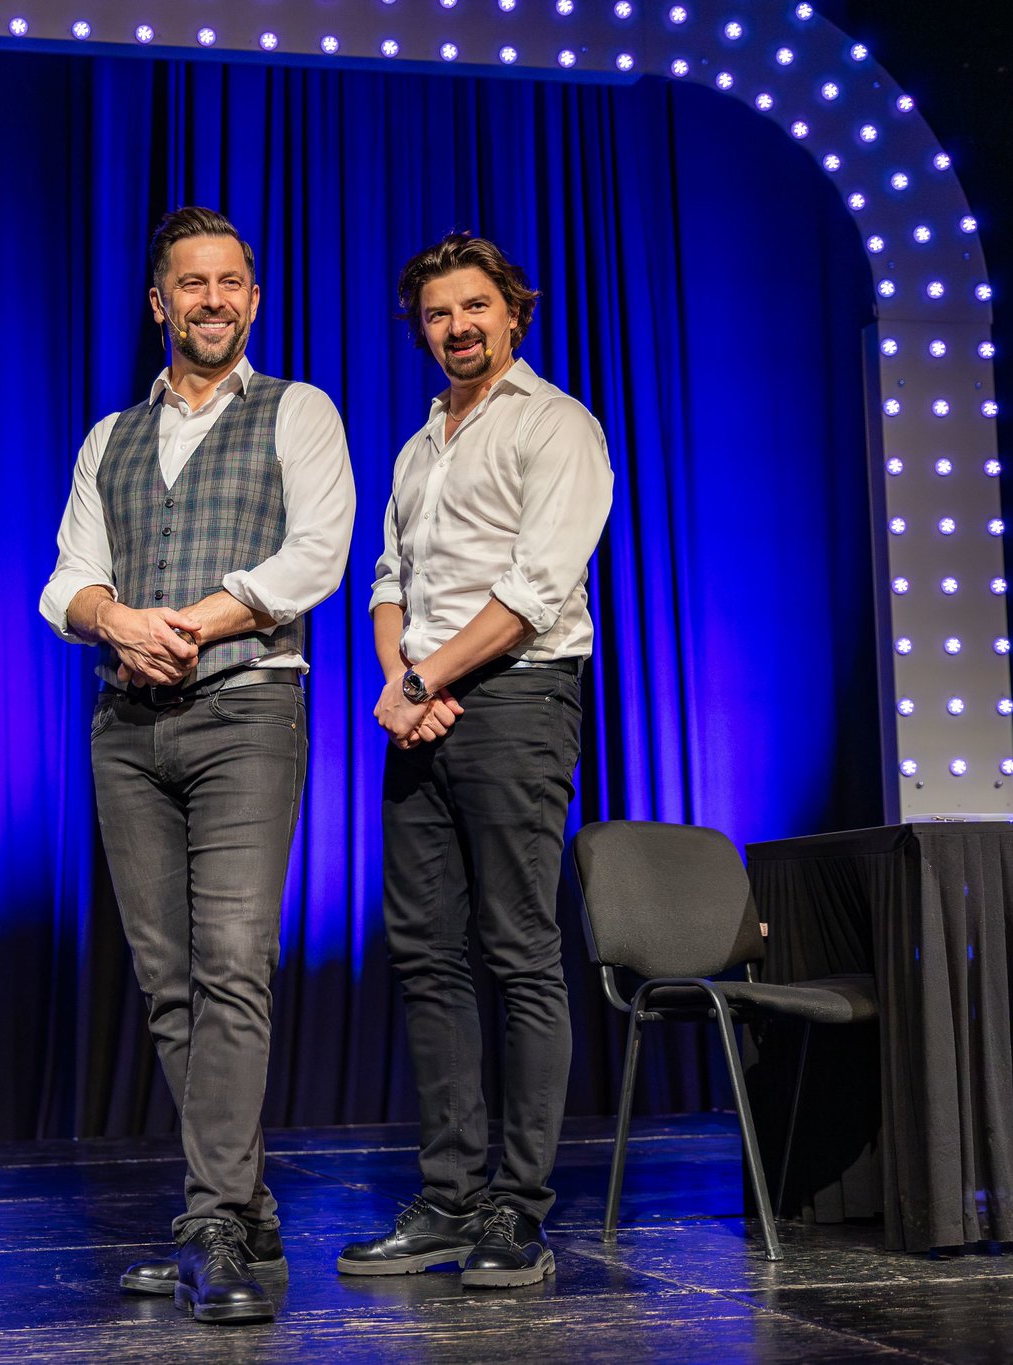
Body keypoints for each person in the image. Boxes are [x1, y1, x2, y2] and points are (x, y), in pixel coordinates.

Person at [39, 207, 356, 1324]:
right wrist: (118, 621)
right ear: (159, 303)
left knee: (231, 964)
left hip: (246, 711)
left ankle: (212, 1220)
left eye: (230, 283)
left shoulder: (297, 410)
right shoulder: (109, 437)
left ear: (253, 300)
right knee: (169, 981)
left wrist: (192, 622)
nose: (212, 300)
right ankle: (243, 1211)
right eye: (191, 283)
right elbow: (66, 580)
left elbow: (316, 553)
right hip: (128, 729)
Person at [338, 233, 613, 1288]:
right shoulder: (420, 446)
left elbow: (537, 588)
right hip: (423, 707)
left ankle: (517, 1209)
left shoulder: (556, 424)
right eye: (437, 314)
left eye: (474, 307)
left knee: (517, 951)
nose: (457, 327)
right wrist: (403, 684)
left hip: (517, 699)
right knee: (426, 956)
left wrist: (421, 683)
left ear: (513, 312)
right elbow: (388, 578)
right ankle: (449, 1197)